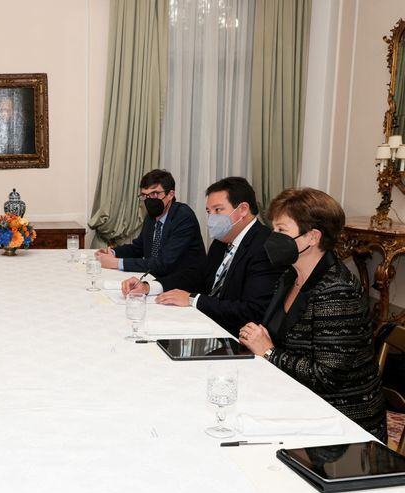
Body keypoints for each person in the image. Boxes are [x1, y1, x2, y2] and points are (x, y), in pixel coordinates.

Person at [239, 188, 387, 441]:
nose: (272, 238)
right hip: (294, 399)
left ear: (312, 237)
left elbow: (327, 377)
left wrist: (268, 351)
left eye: (281, 231)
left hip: (338, 422)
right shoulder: (290, 276)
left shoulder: (336, 290)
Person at [121, 177, 284, 336]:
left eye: (218, 210)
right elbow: (197, 275)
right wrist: (149, 286)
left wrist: (193, 299)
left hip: (234, 335)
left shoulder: (264, 247)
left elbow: (252, 310)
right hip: (205, 322)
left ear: (242, 209)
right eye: (208, 211)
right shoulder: (222, 240)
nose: (212, 218)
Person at [95, 169, 205, 277]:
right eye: (145, 195)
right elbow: (138, 248)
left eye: (154, 194)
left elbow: (163, 263)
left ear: (170, 194)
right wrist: (112, 253)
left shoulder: (183, 216)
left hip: (181, 284)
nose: (149, 200)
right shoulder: (151, 218)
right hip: (154, 278)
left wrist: (116, 263)